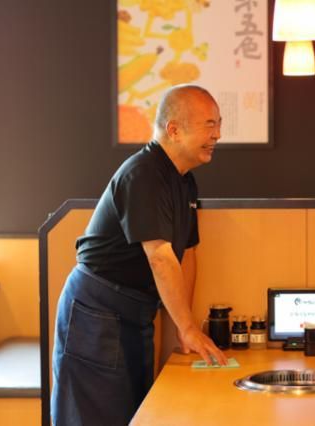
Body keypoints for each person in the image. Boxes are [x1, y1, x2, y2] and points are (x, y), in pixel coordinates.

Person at [51, 85, 227, 426]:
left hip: (136, 314)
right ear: (174, 129)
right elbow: (160, 257)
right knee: (94, 417)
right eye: (209, 124)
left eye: (219, 124)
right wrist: (187, 328)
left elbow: (187, 254)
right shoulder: (143, 173)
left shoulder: (184, 182)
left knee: (135, 414)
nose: (217, 134)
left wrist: (183, 326)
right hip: (97, 312)